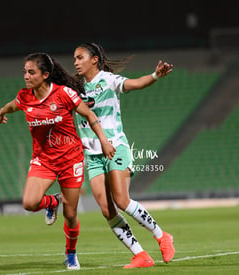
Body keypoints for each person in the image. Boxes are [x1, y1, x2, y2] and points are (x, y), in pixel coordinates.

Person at [0, 52, 115, 270]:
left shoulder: (64, 94)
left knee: (71, 215)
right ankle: (53, 202)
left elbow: (89, 115)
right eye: (25, 72)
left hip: (71, 159)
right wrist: (3, 111)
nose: (26, 76)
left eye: (31, 72)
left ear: (45, 74)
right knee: (30, 203)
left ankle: (71, 254)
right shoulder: (25, 96)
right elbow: (14, 105)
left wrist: (104, 141)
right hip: (43, 160)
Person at [72, 43, 175, 269]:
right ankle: (140, 255)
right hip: (93, 155)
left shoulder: (108, 79)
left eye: (80, 57)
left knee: (121, 200)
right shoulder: (75, 87)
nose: (76, 62)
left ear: (94, 60)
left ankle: (162, 236)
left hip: (115, 147)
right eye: (74, 58)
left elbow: (135, 84)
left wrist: (155, 76)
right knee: (107, 209)